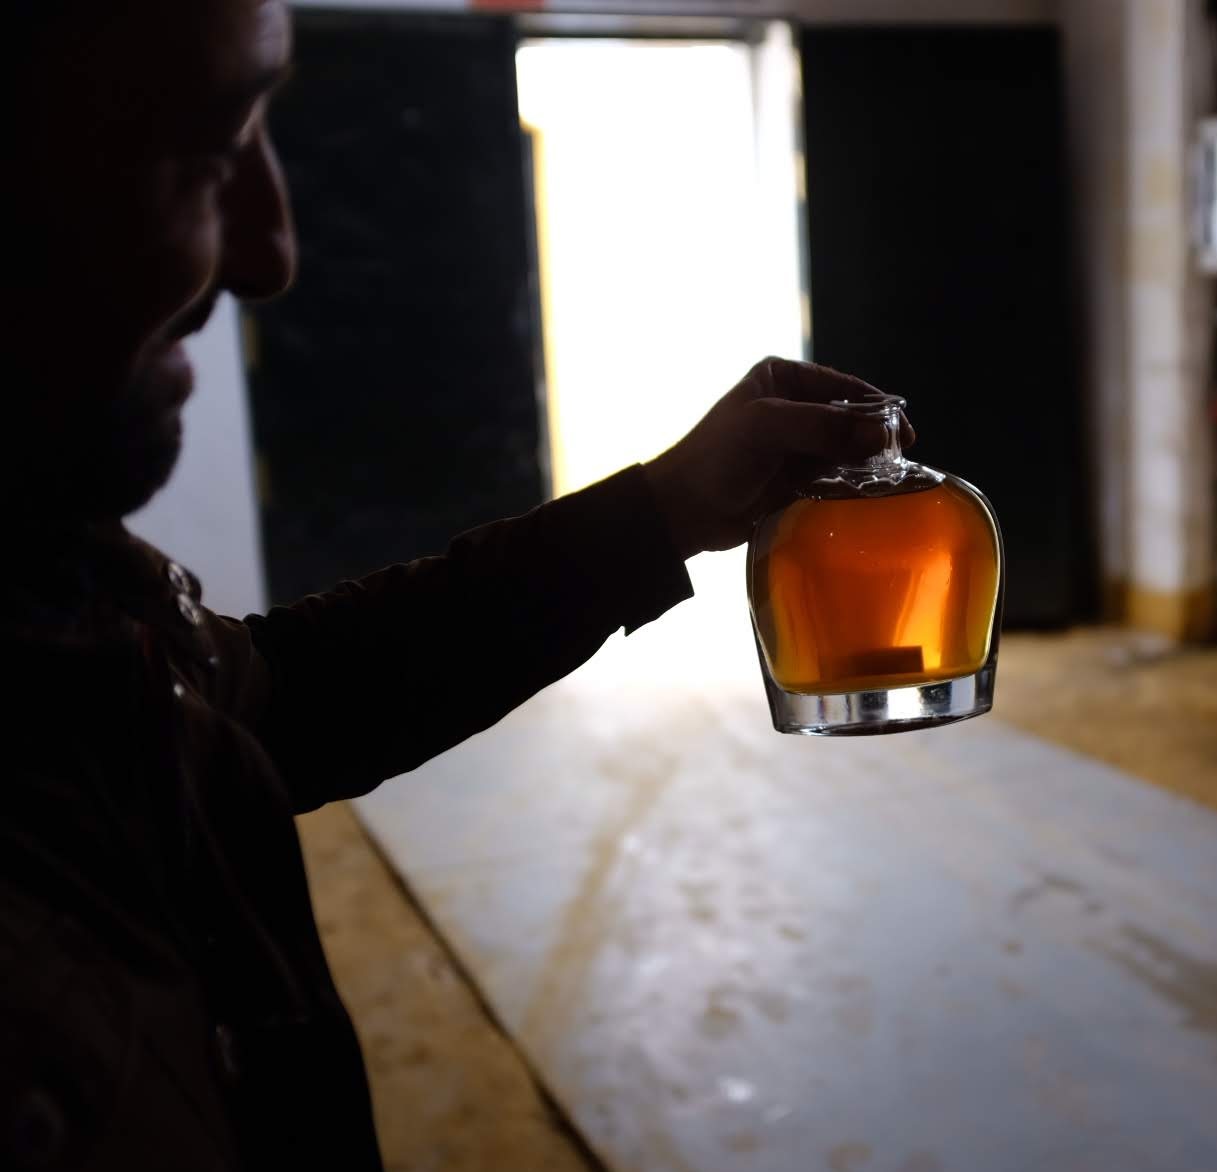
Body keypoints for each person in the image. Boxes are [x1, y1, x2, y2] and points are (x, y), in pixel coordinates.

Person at [1, 1, 909, 1168]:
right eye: (205, 155)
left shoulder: (57, 602)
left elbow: (273, 700)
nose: (271, 253)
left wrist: (663, 510)